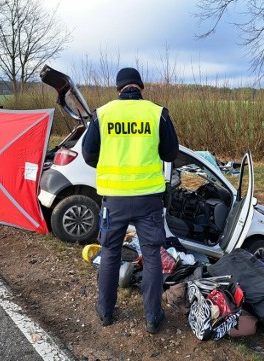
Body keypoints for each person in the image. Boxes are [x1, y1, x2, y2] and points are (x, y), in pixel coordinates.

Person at [82, 67, 179, 334]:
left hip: (114, 200)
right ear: (141, 87)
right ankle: (152, 318)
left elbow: (89, 155)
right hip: (148, 199)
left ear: (118, 89)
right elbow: (171, 153)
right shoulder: (156, 112)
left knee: (111, 252)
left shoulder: (103, 114)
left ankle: (105, 312)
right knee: (151, 255)